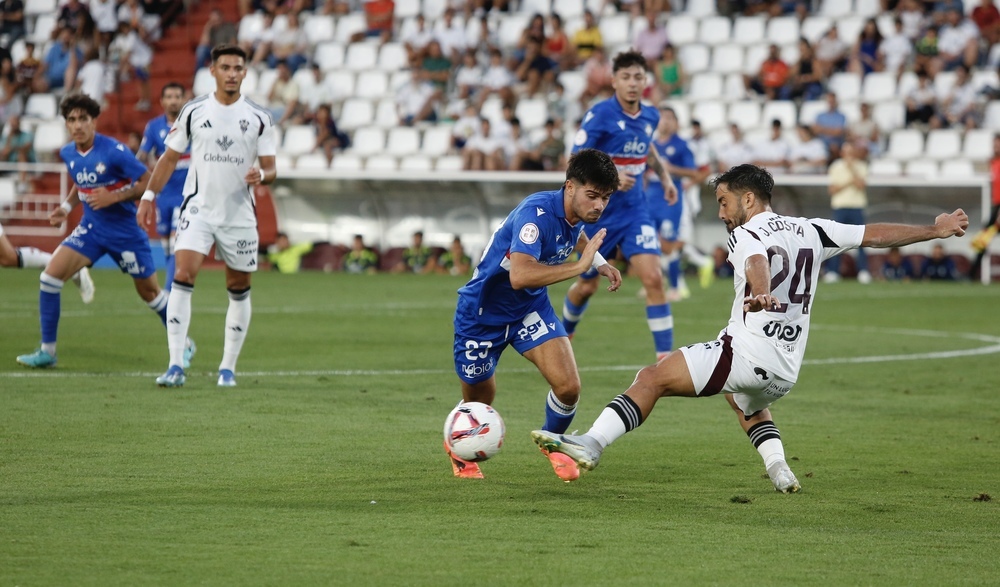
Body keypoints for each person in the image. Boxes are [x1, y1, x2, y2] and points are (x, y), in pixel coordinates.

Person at [532, 164, 969, 492]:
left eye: (723, 202)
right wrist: (934, 229)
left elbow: (756, 261)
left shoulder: (746, 234)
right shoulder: (812, 228)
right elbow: (874, 234)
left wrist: (760, 291)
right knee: (744, 401)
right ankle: (779, 468)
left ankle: (591, 443)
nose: (721, 213)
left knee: (652, 378)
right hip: (786, 371)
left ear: (747, 200)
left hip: (748, 353)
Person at [448, 148, 622, 481]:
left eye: (605, 198)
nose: (599, 205)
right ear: (569, 187)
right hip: (481, 315)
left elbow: (574, 234)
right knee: (480, 404)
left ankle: (553, 444)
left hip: (528, 308)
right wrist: (580, 267)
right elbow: (520, 275)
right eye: (592, 196)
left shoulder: (572, 214)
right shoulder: (536, 214)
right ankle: (458, 448)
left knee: (568, 387)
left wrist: (599, 263)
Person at [137, 44, 277, 388]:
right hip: (198, 209)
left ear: (245, 73)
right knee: (182, 275)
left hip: (239, 214)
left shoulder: (260, 117)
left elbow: (272, 168)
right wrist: (148, 196)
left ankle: (227, 369)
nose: (232, 73)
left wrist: (263, 175)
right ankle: (175, 364)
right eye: (225, 67)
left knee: (238, 287)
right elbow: (168, 158)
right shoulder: (193, 110)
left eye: (238, 68)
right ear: (213, 71)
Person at [15, 93, 183, 368]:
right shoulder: (68, 152)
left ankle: (183, 343)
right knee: (50, 278)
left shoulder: (114, 151)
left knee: (150, 294)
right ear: (66, 125)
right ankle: (48, 352)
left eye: (83, 119)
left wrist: (113, 198)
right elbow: (79, 181)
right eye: (71, 120)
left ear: (94, 122)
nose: (77, 125)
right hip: (91, 230)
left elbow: (148, 181)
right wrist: (66, 209)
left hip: (125, 232)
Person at [562, 50, 677, 361]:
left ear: (645, 81)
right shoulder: (599, 115)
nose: (632, 83)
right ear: (614, 81)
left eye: (638, 77)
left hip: (634, 212)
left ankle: (665, 359)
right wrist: (611, 176)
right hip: (597, 216)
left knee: (653, 278)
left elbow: (646, 147)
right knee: (586, 287)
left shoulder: (651, 115)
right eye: (625, 77)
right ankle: (564, 334)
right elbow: (574, 161)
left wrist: (665, 178)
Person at [137, 82, 188, 291]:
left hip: (186, 194)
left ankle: (168, 291)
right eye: (169, 96)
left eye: (178, 96)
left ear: (184, 99)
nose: (174, 100)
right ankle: (173, 283)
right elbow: (141, 155)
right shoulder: (154, 127)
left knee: (177, 242)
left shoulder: (192, 124)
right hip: (163, 194)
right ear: (162, 101)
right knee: (166, 244)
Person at [647, 106, 700, 301]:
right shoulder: (651, 145)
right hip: (650, 197)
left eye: (669, 118)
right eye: (662, 118)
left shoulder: (681, 145)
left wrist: (671, 169)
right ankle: (653, 283)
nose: (665, 121)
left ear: (675, 122)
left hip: (670, 198)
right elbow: (644, 172)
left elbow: (693, 172)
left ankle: (676, 287)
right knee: (650, 242)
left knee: (669, 244)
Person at [824, 142, 871, 283]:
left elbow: (861, 185)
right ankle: (833, 272)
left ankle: (863, 271)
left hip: (857, 206)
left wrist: (852, 169)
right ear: (842, 153)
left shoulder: (861, 166)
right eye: (846, 152)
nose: (849, 155)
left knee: (862, 240)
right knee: (835, 240)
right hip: (840, 206)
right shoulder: (835, 167)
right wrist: (849, 181)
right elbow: (832, 190)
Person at [969, 135, 1000, 280]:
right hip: (996, 207)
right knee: (983, 240)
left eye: (998, 144)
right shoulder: (993, 162)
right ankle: (972, 274)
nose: (996, 147)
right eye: (994, 144)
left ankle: (971, 274)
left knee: (984, 238)